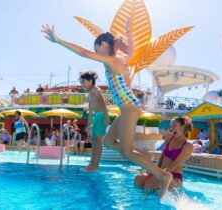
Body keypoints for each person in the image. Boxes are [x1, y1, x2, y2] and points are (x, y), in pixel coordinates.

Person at [42, 22, 173, 198]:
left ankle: (163, 176)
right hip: (127, 108)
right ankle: (143, 156)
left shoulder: (113, 61)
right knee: (109, 142)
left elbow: (84, 53)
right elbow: (131, 51)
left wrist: (58, 40)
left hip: (130, 108)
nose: (96, 54)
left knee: (126, 151)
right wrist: (128, 32)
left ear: (104, 45)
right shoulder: (119, 59)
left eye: (97, 50)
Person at [134, 116, 193, 191]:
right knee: (138, 179)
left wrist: (157, 177)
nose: (171, 128)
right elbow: (162, 157)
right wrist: (154, 172)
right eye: (170, 125)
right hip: (160, 172)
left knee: (152, 186)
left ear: (183, 127)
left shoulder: (188, 146)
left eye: (174, 125)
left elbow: (175, 164)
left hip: (173, 176)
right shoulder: (169, 138)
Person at [79, 71, 109, 172]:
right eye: (81, 82)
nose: (82, 84)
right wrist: (88, 125)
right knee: (94, 141)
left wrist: (106, 115)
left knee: (98, 141)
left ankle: (96, 164)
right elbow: (91, 111)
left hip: (101, 117)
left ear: (90, 80)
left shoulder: (95, 90)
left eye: (83, 82)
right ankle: (92, 163)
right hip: (96, 117)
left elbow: (103, 102)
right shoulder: (89, 94)